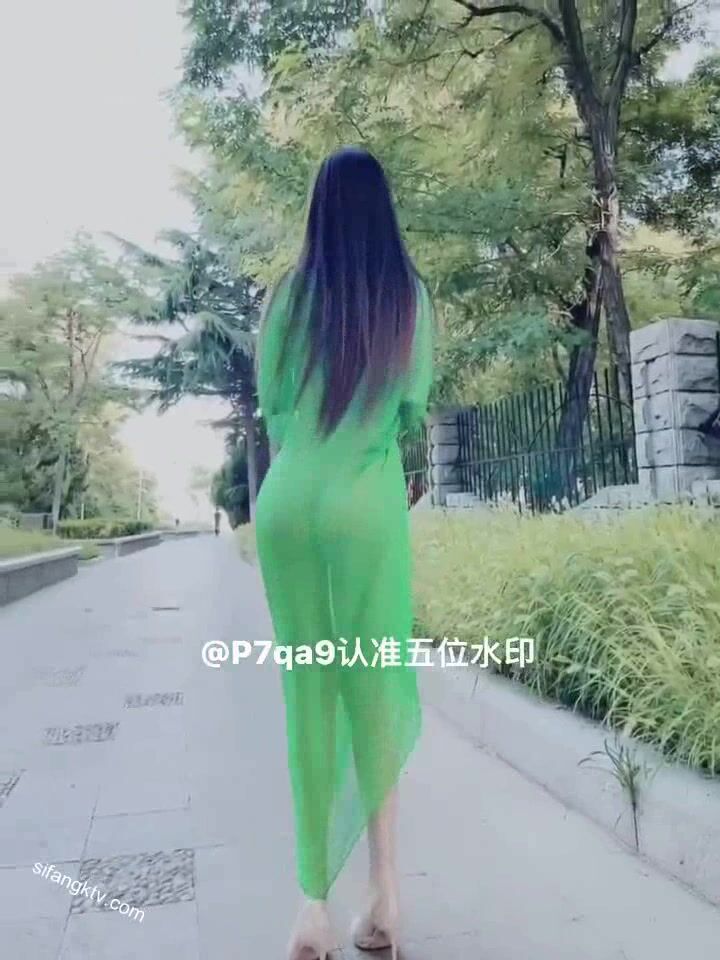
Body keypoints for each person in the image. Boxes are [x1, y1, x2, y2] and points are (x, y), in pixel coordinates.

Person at [254, 146, 434, 960]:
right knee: (372, 685)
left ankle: (311, 907)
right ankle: (385, 893)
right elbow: (411, 407)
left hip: (289, 505)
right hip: (365, 506)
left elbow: (276, 410)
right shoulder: (408, 297)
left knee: (308, 690)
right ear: (382, 210)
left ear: (318, 210)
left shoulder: (285, 298)